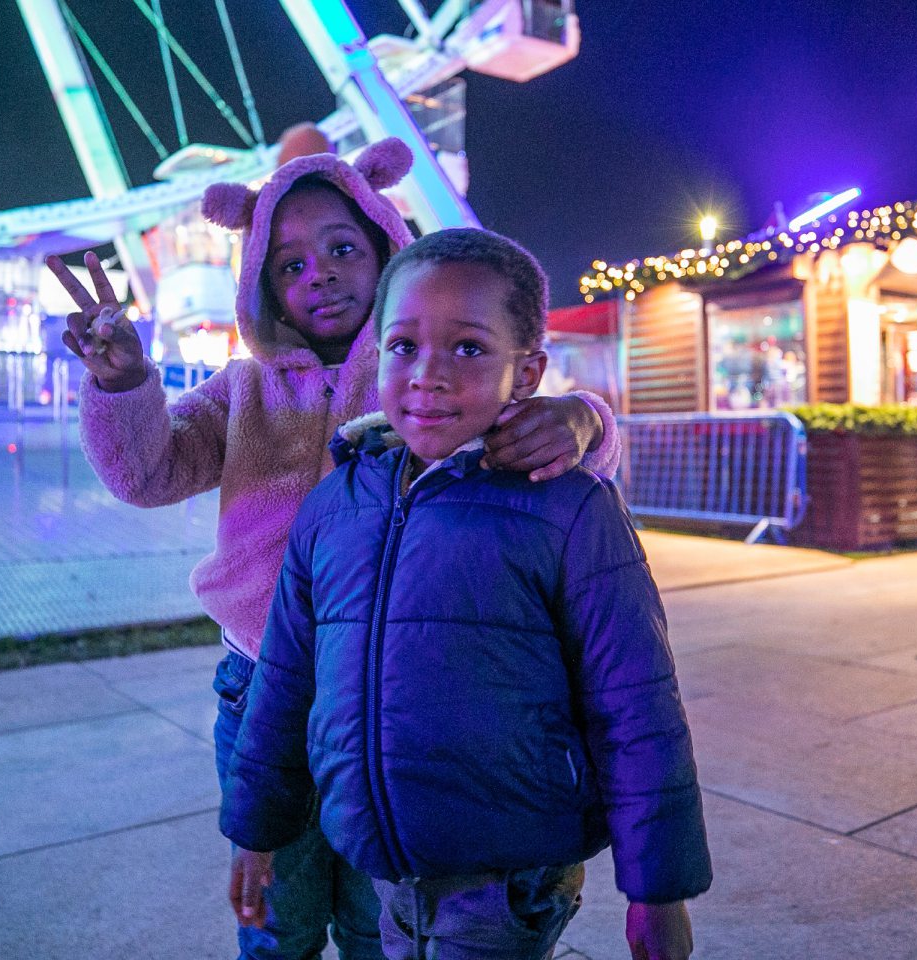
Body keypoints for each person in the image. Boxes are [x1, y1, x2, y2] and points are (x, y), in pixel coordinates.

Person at [45, 140, 621, 960]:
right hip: (259, 687)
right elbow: (148, 471)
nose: (317, 273)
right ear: (261, 285)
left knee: (375, 921)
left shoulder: (419, 383)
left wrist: (581, 419)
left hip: (391, 690)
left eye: (342, 248)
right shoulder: (241, 392)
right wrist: (121, 384)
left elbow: (548, 438)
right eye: (288, 265)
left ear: (389, 247)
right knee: (279, 923)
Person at [222, 228, 711, 960]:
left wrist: (657, 890)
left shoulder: (567, 509)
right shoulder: (334, 507)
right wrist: (255, 833)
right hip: (386, 866)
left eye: (469, 348)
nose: (428, 373)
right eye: (403, 346)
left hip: (507, 879)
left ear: (528, 370)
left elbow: (636, 703)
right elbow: (285, 684)